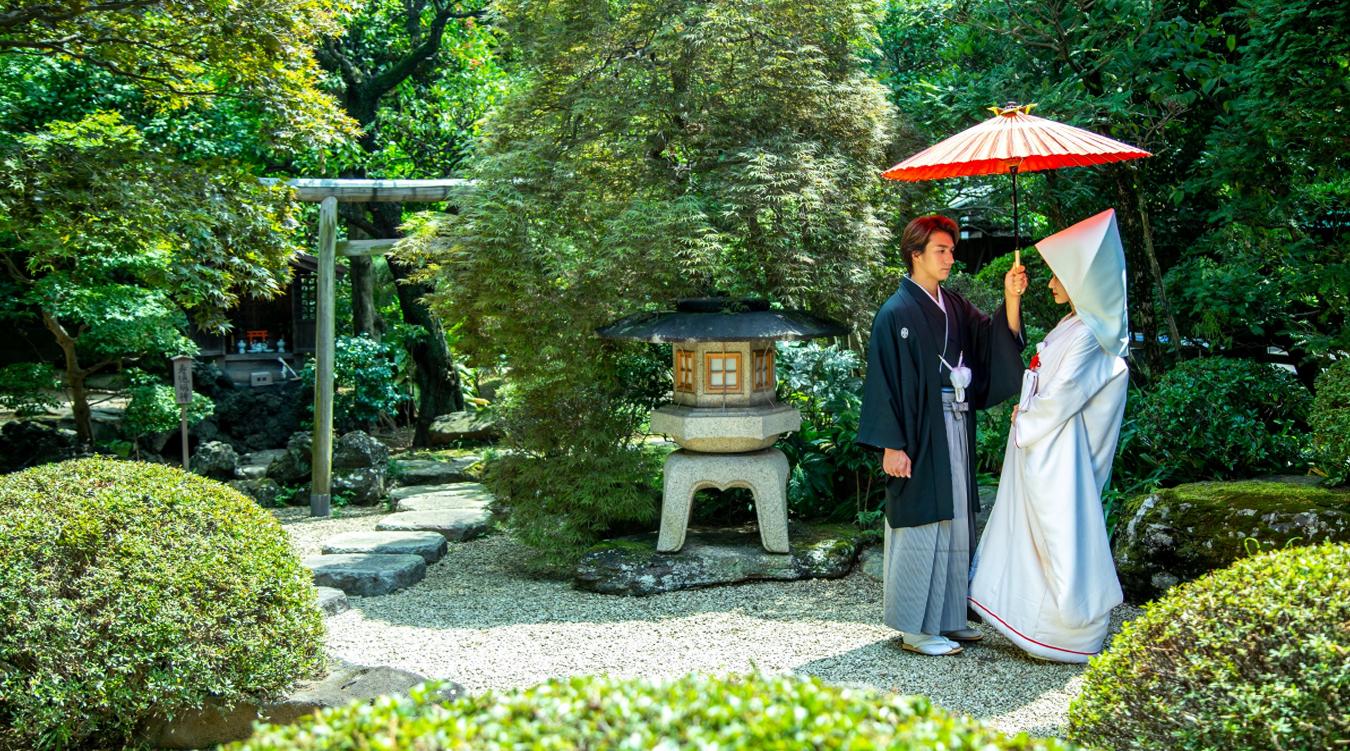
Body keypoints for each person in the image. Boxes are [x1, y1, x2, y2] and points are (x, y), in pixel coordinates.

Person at [857, 215, 1027, 656]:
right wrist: (891, 445)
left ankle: (949, 618)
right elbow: (884, 382)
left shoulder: (952, 304)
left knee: (956, 517)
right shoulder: (895, 313)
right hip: (916, 430)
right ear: (916, 254)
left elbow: (990, 337)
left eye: (951, 250)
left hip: (954, 419)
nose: (951, 258)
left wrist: (1011, 297)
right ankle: (914, 627)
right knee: (920, 518)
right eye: (941, 251)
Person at [968, 208, 1130, 663]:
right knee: (1032, 531)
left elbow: (1066, 394)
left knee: (1061, 532)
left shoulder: (1092, 335)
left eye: (1059, 276)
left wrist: (1028, 419)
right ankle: (1032, 622)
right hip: (1047, 442)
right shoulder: (1075, 326)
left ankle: (1068, 631)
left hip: (1060, 452)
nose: (1052, 284)